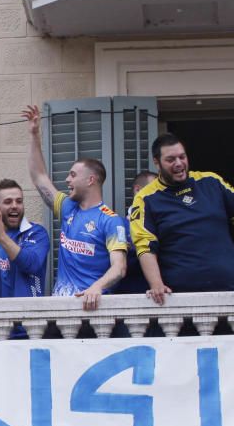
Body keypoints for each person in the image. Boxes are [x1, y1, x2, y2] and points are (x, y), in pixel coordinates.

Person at [22, 104, 127, 310]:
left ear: (90, 180)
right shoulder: (68, 207)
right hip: (61, 307)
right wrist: (34, 135)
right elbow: (39, 177)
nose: (66, 179)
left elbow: (119, 267)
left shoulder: (110, 220)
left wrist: (96, 288)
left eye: (72, 175)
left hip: (93, 309)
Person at [129, 133, 234, 302]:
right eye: (171, 159)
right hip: (180, 298)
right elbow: (145, 246)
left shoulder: (211, 181)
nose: (179, 163)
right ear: (157, 162)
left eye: (182, 157)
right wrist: (156, 284)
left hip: (229, 289)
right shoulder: (145, 198)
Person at [0, 178, 50, 298]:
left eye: (19, 201)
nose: (14, 206)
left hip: (31, 313)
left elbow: (32, 265)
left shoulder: (37, 232)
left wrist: (2, 237)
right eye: (8, 202)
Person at [115, 170, 157, 295]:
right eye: (155, 190)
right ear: (138, 190)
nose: (160, 195)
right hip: (127, 298)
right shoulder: (119, 225)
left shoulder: (164, 224)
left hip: (162, 299)